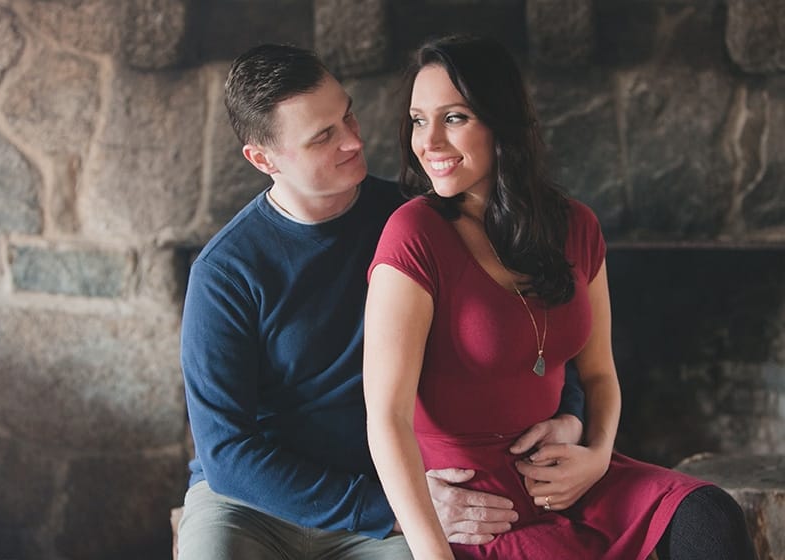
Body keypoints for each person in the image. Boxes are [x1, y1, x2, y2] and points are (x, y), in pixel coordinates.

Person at [178, 43, 592, 560]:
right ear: (263, 159)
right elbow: (226, 455)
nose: (354, 139)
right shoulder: (224, 273)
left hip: (394, 491)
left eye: (347, 114)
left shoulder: (423, 220)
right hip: (254, 507)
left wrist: (570, 412)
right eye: (323, 136)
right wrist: (386, 509)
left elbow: (532, 324)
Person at [363, 34, 757, 560]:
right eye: (417, 119)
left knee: (709, 516)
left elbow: (599, 375)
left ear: (500, 122)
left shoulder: (576, 226)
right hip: (481, 506)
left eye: (453, 117)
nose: (428, 141)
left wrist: (595, 455)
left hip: (572, 475)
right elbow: (385, 418)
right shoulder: (412, 233)